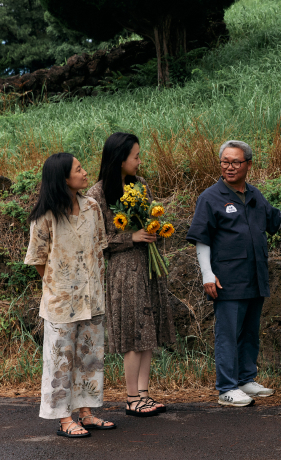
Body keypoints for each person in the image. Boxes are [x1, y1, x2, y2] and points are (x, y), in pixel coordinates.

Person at [187, 140, 281, 407]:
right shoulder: (210, 197)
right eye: (225, 162)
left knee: (250, 333)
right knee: (228, 333)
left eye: (236, 162)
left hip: (255, 276)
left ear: (248, 164)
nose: (229, 167)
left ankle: (245, 379)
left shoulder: (254, 195)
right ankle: (227, 388)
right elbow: (202, 238)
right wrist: (207, 273)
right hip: (228, 278)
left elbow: (274, 223)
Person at [25, 152, 115, 438]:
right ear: (63, 178)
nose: (85, 172)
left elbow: (99, 248)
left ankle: (86, 413)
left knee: (89, 357)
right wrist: (60, 285)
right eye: (78, 169)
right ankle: (64, 418)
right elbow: (38, 259)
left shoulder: (92, 207)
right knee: (60, 360)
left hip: (92, 297)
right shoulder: (45, 217)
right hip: (61, 302)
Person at [87, 132, 175, 417]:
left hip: (148, 265)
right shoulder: (97, 194)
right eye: (136, 156)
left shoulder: (141, 185)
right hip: (124, 271)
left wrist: (153, 229)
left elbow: (151, 217)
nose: (139, 161)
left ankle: (144, 394)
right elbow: (95, 242)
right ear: (119, 159)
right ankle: (131, 398)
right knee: (133, 333)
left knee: (149, 332)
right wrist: (130, 237)